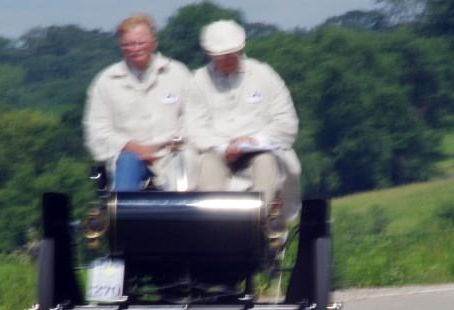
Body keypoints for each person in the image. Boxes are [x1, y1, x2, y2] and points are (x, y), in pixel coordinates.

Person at [190, 20, 301, 221]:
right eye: (222, 55)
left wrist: (255, 141)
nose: (229, 58)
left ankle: (258, 225)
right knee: (205, 169)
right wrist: (224, 147)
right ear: (209, 54)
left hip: (260, 149)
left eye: (234, 53)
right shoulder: (196, 82)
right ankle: (211, 228)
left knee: (266, 163)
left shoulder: (264, 75)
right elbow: (193, 127)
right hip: (216, 151)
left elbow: (286, 121)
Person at [83, 14, 202, 191]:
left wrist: (179, 139)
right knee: (128, 163)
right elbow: (96, 130)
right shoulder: (106, 81)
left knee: (185, 169)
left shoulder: (178, 73)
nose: (135, 49)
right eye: (128, 44)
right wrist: (130, 146)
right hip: (129, 156)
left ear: (154, 43)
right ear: (121, 46)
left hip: (173, 153)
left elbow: (195, 115)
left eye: (140, 43)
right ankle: (123, 214)